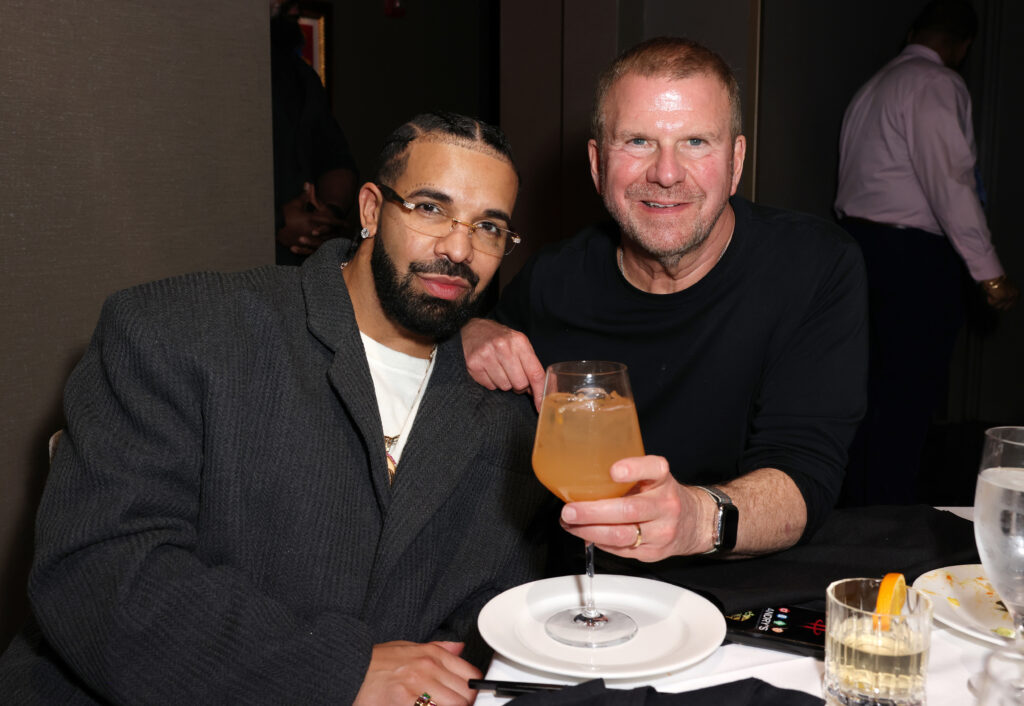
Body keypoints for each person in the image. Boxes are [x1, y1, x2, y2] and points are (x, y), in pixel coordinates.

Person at [0, 112, 547, 705]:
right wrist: (339, 671)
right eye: (430, 208)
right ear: (370, 209)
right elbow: (99, 574)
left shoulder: (506, 418)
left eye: (489, 227)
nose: (459, 249)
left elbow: (496, 622)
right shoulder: (178, 331)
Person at [463, 37, 868, 577]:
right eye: (637, 141)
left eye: (696, 141)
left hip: (739, 590)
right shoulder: (552, 280)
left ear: (736, 161)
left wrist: (695, 519)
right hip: (582, 588)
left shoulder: (814, 266)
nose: (668, 173)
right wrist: (466, 333)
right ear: (597, 163)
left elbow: (805, 477)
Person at [834, 0, 1019, 506]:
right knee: (906, 393)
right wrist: (990, 273)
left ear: (914, 32)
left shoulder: (875, 85)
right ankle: (890, 518)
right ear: (964, 46)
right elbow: (951, 183)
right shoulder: (936, 84)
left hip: (860, 249)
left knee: (869, 390)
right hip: (909, 257)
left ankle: (859, 511)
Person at [271, 0, 359, 265]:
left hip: (306, 271)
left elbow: (336, 160)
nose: (295, 9)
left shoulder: (304, 77)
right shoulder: (226, 72)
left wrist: (326, 216)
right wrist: (277, 221)